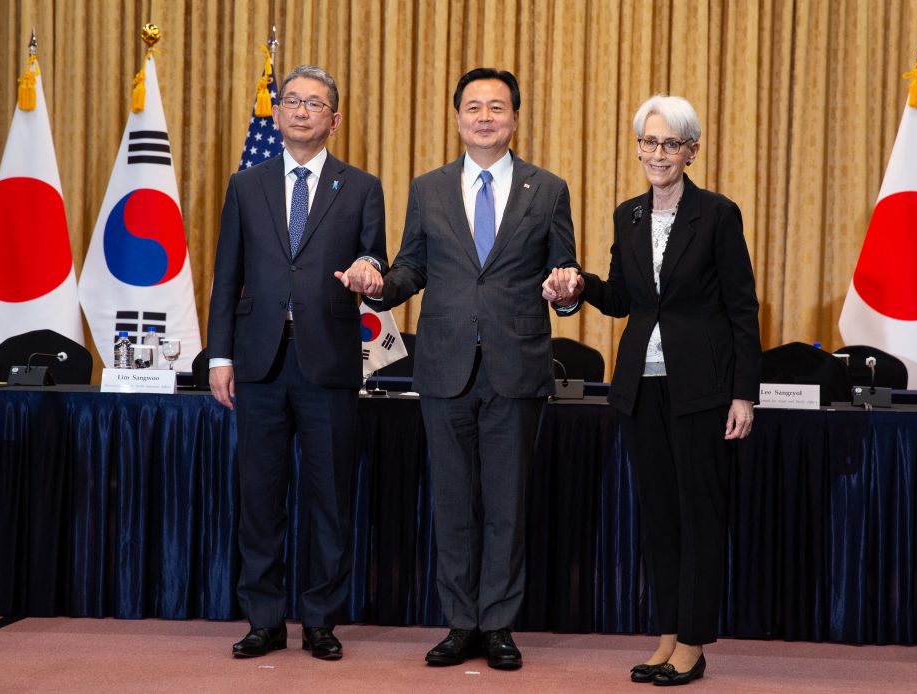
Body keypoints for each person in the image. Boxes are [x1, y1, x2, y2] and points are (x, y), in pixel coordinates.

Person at [358, 68, 583, 670]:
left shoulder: (549, 187)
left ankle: (500, 626)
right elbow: (411, 268)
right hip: (443, 366)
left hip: (517, 364)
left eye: (497, 107)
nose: (485, 117)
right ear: (458, 117)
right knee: (453, 503)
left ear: (514, 119)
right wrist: (380, 287)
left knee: (507, 504)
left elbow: (565, 270)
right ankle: (460, 624)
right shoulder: (429, 188)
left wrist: (567, 288)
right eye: (474, 107)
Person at [548, 95, 760, 686]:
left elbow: (742, 307)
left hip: (704, 391)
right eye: (648, 142)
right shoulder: (629, 215)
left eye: (670, 144)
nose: (657, 154)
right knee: (660, 517)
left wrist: (745, 393)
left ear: (691, 151)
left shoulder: (718, 215)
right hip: (641, 389)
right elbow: (624, 300)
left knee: (699, 516)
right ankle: (667, 633)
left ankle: (693, 641)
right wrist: (578, 284)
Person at [206, 65, 387, 661]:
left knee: (330, 498)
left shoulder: (360, 187)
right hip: (257, 362)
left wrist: (370, 272)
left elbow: (374, 261)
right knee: (259, 495)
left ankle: (320, 620)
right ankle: (263, 618)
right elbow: (226, 274)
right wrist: (221, 354)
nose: (302, 111)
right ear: (277, 114)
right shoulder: (246, 183)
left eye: (315, 103)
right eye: (292, 101)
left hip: (329, 361)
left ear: (334, 119)